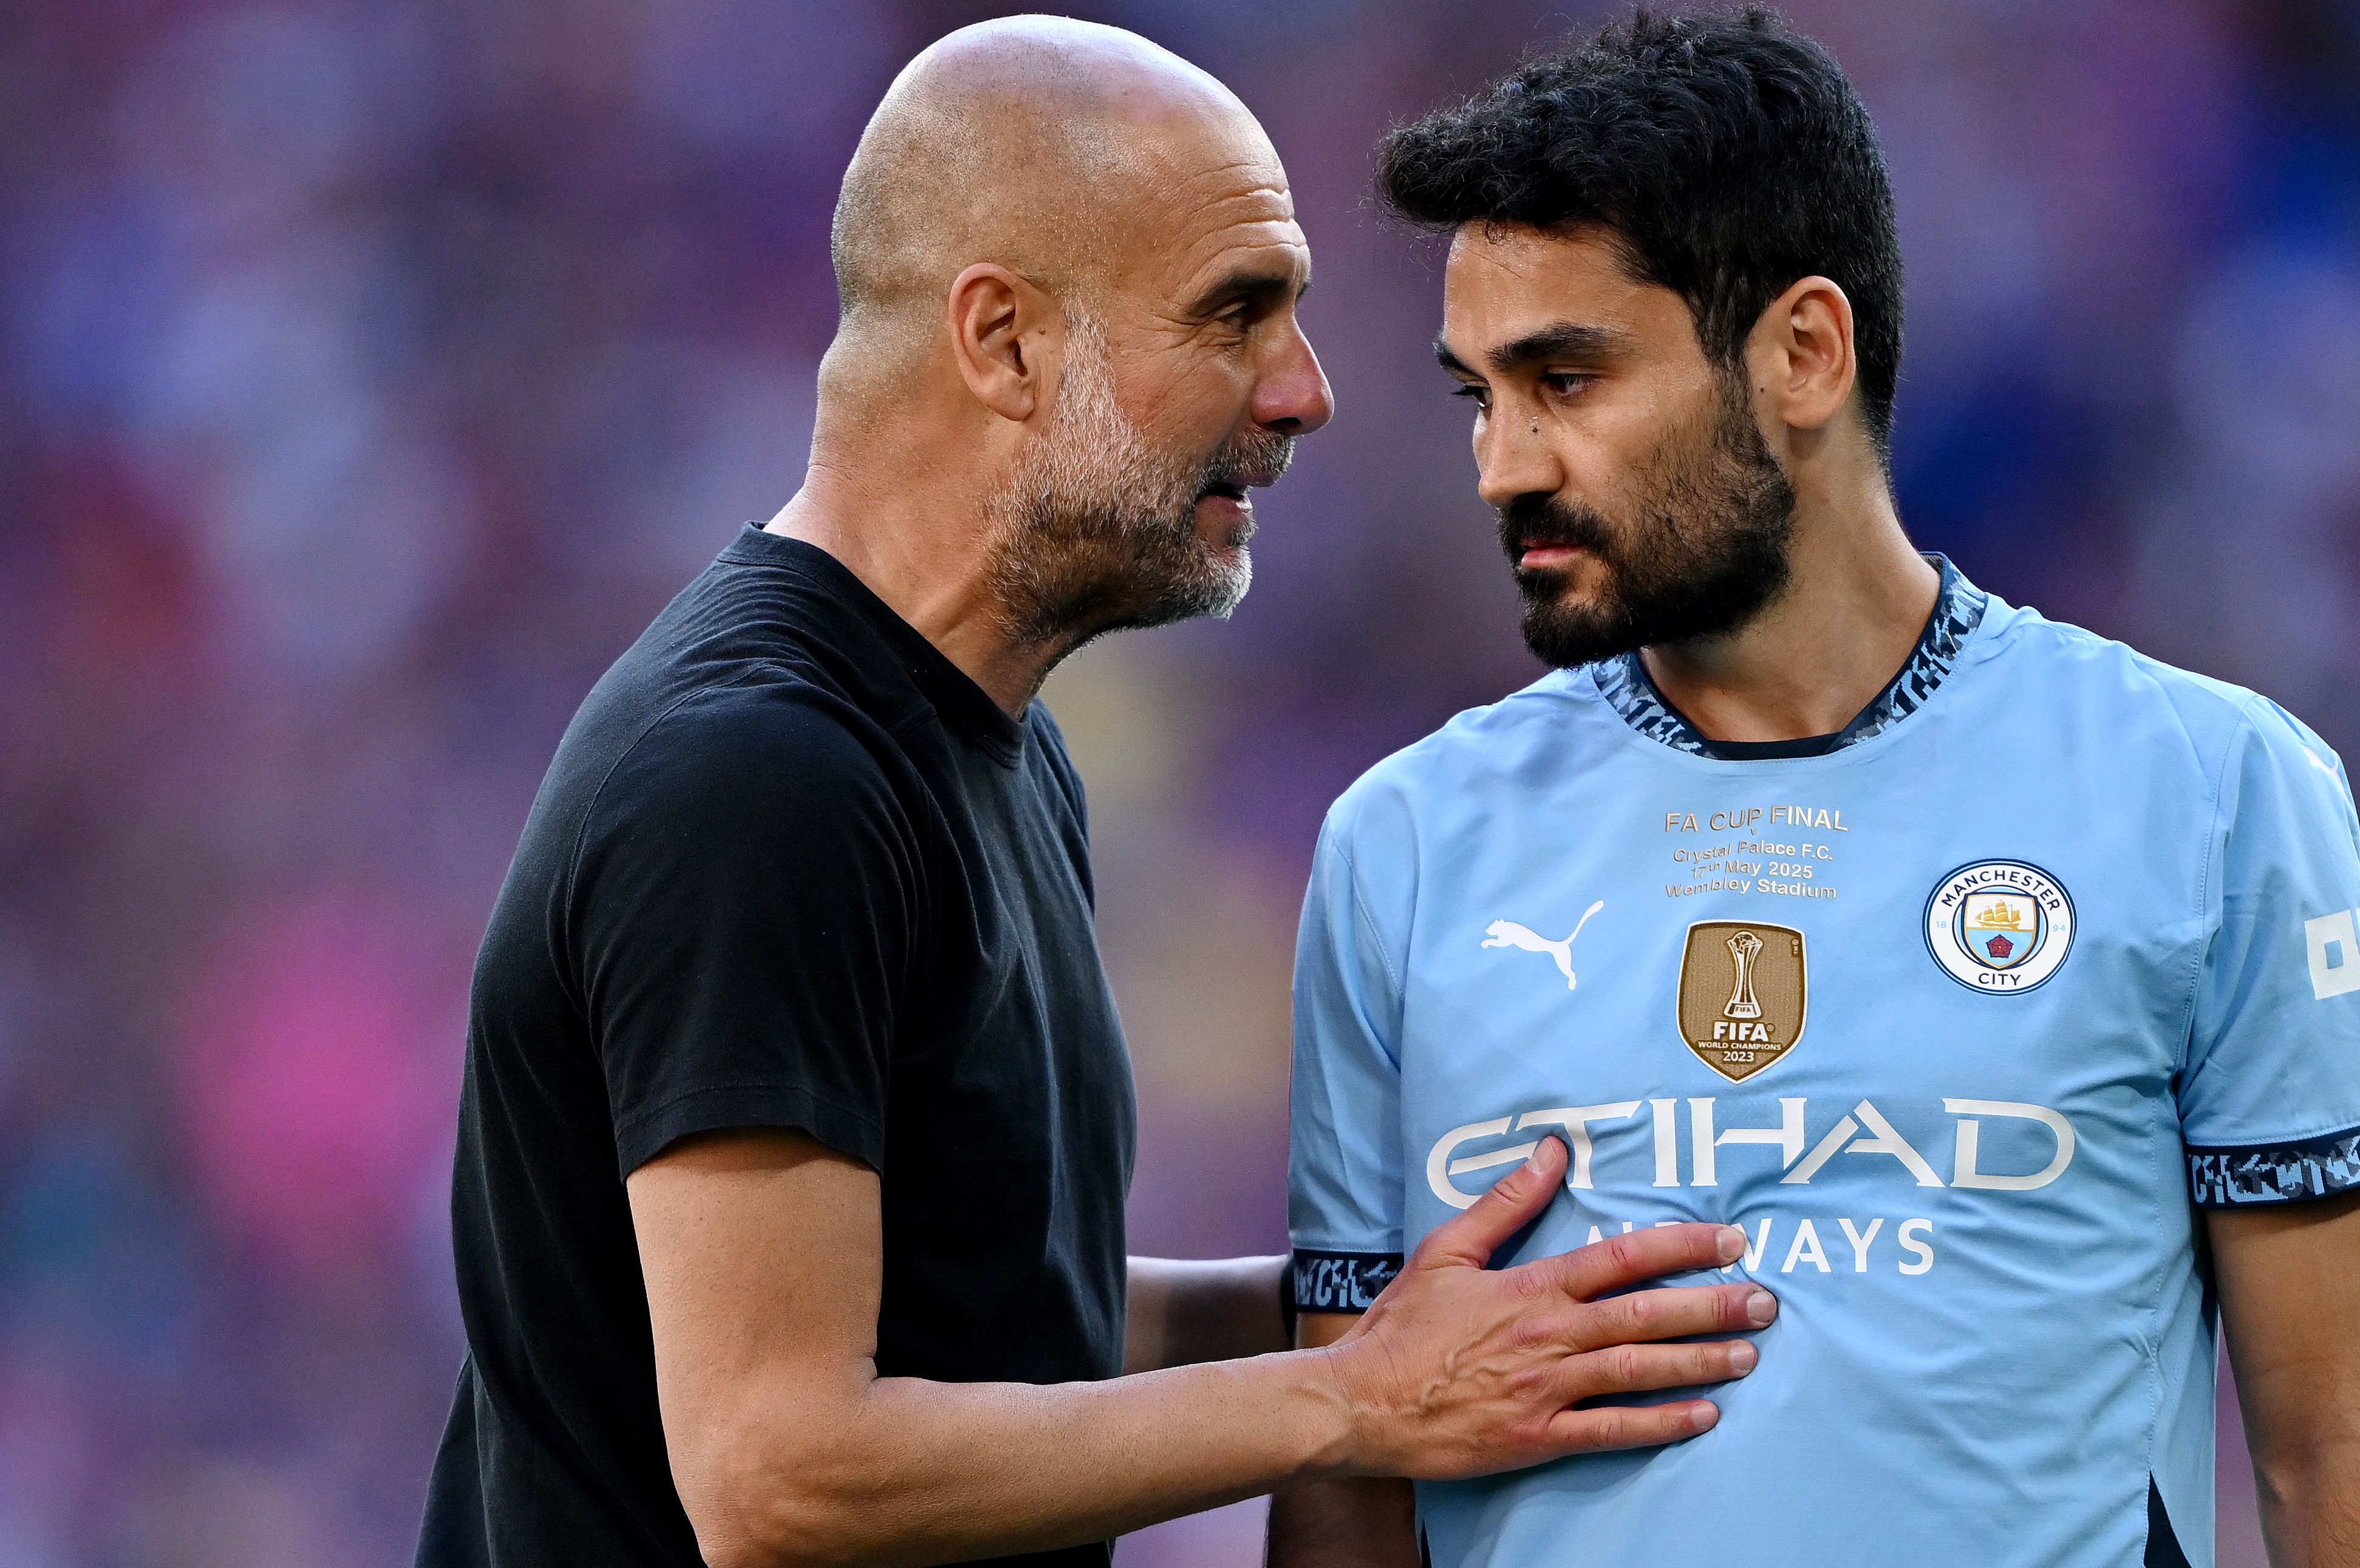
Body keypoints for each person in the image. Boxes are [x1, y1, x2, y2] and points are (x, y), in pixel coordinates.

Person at [415, 18, 1776, 1568]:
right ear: (1002, 342)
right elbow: (783, 1472)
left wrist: (1349, 1306)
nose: (1303, 393)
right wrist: (1347, 1402)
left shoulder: (982, 738)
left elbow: (991, 1308)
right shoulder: (759, 780)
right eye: (1234, 315)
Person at [1270, 9, 2360, 1567]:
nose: (1502, 463)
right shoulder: (1403, 847)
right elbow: (1346, 1472)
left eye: (1565, 376)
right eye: (1478, 394)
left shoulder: (2213, 791)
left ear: (1805, 352)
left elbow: (2343, 1453)